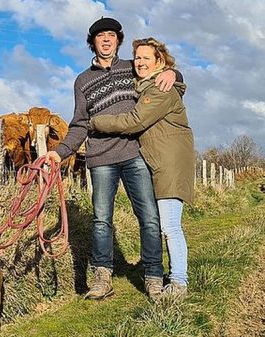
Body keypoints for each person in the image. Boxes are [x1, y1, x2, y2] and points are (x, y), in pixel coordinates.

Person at [46, 17, 180, 300]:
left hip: (135, 153)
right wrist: (59, 152)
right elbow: (80, 123)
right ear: (92, 42)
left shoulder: (132, 68)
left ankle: (154, 276)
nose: (106, 40)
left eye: (111, 35)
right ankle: (102, 278)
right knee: (101, 220)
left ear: (118, 40)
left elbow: (161, 76)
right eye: (100, 36)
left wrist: (175, 74)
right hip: (100, 158)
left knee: (149, 217)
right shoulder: (82, 80)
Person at [89, 37, 194, 299]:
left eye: (147, 58)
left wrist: (96, 122)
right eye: (137, 57)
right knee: (163, 223)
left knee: (169, 225)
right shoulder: (146, 86)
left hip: (169, 163)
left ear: (160, 62)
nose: (140, 62)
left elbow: (134, 121)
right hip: (160, 162)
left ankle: (179, 281)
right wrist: (173, 72)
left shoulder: (159, 89)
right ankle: (173, 278)